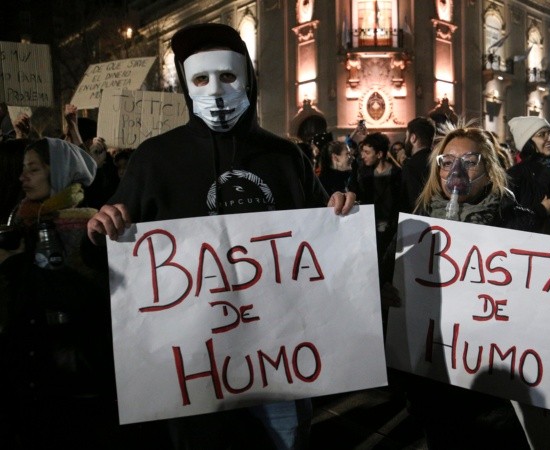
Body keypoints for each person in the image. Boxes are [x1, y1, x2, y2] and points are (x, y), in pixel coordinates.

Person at [86, 23, 355, 450]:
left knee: (287, 440)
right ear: (186, 86)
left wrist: (339, 214)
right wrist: (104, 227)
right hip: (194, 359)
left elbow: (321, 230)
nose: (215, 90)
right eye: (200, 79)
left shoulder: (286, 156)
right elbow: (120, 247)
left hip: (278, 354)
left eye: (227, 76)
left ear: (247, 75)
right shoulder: (154, 159)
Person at [398, 121, 535, 449]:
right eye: (446, 162)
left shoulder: (521, 223)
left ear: (489, 167)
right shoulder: (416, 227)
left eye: (470, 161)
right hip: (435, 386)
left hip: (498, 394)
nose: (455, 170)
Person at [0, 138, 126, 447]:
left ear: (59, 172)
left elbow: (89, 298)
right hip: (28, 374)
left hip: (72, 378)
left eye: (33, 169)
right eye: (22, 169)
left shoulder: (88, 227)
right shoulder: (21, 219)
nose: (23, 178)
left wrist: (14, 265)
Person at [350, 132, 403, 259]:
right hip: (370, 230)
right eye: (362, 152)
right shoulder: (363, 174)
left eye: (367, 152)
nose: (363, 156)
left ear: (379, 154)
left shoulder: (398, 174)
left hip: (392, 231)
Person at [507, 116, 550, 234]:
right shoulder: (515, 175)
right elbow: (509, 221)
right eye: (542, 135)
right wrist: (541, 210)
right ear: (527, 142)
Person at [400, 116, 436, 213]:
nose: (405, 141)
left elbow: (412, 201)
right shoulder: (439, 162)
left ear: (413, 138)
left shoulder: (411, 166)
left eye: (407, 136)